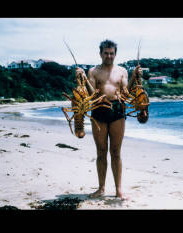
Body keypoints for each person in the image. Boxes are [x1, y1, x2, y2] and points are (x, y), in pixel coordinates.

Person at [75, 39, 142, 200]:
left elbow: (127, 92)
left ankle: (119, 190)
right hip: (98, 110)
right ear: (100, 54)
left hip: (118, 110)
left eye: (112, 53)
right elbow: (91, 94)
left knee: (116, 152)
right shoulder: (93, 71)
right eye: (106, 53)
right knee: (101, 152)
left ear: (115, 54)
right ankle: (101, 188)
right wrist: (83, 78)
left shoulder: (122, 71)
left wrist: (134, 76)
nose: (109, 56)